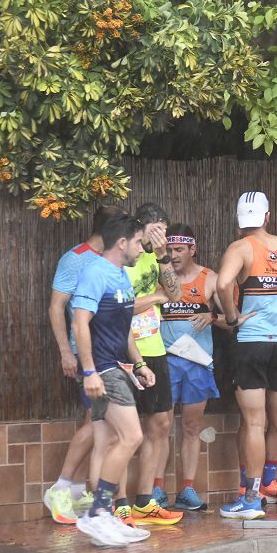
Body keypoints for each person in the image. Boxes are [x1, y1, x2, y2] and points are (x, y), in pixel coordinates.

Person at [217, 191, 277, 518]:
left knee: (255, 423)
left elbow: (222, 284)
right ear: (267, 216)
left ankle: (252, 500)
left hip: (252, 342)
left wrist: (231, 318)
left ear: (240, 220)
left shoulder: (239, 248)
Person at [73, 213, 154, 547]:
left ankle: (104, 517)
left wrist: (139, 364)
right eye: (138, 241)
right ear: (122, 243)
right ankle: (98, 513)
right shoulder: (94, 273)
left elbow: (124, 328)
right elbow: (80, 322)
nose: (141, 247)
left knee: (107, 443)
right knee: (133, 436)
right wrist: (89, 370)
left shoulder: (120, 275)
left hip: (118, 367)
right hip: (103, 370)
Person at [44, 204, 124, 524]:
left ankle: (87, 492)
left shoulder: (113, 261)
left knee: (103, 425)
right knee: (96, 421)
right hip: (87, 355)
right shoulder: (75, 259)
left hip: (112, 355)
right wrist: (66, 352)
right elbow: (56, 307)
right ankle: (62, 488)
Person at [159, 224, 227, 511]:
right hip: (164, 360)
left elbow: (232, 319)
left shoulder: (209, 278)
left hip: (198, 362)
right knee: (160, 427)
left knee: (190, 426)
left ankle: (187, 488)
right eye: (170, 250)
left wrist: (212, 317)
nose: (173, 256)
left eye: (179, 250)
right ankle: (156, 489)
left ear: (192, 249)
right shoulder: (160, 278)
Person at [124, 203, 183, 526]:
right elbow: (120, 305)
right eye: (155, 230)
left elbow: (174, 293)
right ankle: (118, 503)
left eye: (165, 229)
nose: (161, 236)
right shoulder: (126, 256)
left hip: (154, 348)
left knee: (160, 422)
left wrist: (162, 257)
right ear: (141, 228)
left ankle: (144, 499)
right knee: (120, 430)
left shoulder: (157, 258)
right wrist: (155, 298)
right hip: (125, 351)